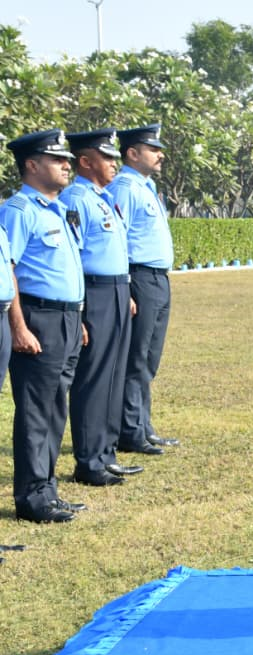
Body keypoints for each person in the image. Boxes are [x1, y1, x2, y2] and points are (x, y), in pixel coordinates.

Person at [3, 129, 87, 523]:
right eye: (57, 160)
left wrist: (79, 319)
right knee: (37, 410)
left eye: (67, 159)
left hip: (67, 318)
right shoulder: (20, 210)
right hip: (39, 318)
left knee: (55, 407)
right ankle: (33, 498)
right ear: (32, 166)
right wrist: (19, 328)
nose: (66, 165)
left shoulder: (55, 209)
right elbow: (9, 271)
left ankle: (47, 489)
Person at [63, 128, 143, 486]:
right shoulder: (76, 198)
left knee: (113, 374)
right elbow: (74, 257)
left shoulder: (101, 196)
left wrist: (123, 289)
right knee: (93, 379)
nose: (114, 163)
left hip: (115, 289)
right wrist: (80, 310)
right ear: (85, 161)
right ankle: (89, 460)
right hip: (93, 292)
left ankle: (106, 452)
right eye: (107, 157)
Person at [108, 124, 180, 457]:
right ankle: (129, 431)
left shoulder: (146, 187)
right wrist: (127, 289)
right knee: (136, 358)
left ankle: (142, 426)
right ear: (132, 153)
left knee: (149, 358)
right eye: (153, 149)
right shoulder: (124, 187)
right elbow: (117, 240)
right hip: (139, 277)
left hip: (157, 278)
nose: (160, 155)